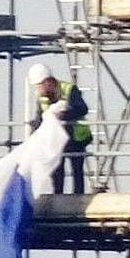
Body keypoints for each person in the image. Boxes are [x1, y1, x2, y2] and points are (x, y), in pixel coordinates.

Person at [27, 62, 92, 194]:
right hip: (56, 138)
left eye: (40, 85)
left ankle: (78, 196)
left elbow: (82, 109)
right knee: (57, 168)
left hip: (76, 137)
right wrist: (34, 134)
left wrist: (64, 116)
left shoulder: (69, 89)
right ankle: (58, 195)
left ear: (48, 81)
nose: (39, 89)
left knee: (77, 168)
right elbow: (40, 117)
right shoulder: (41, 97)